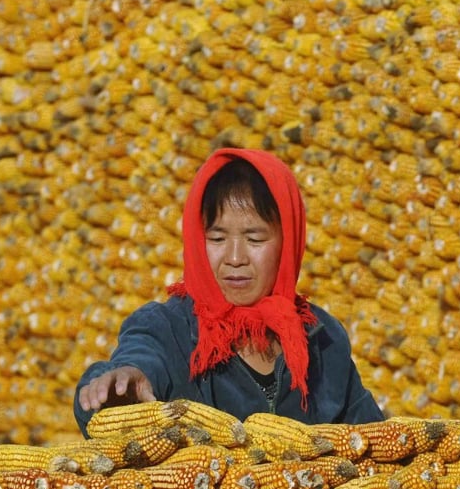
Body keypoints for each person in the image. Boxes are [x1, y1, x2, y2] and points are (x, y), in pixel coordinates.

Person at [74, 148, 384, 435]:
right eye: (218, 239)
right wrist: (117, 385)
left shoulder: (322, 339)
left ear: (288, 242)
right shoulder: (167, 328)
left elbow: (371, 435)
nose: (235, 258)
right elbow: (139, 358)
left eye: (255, 239)